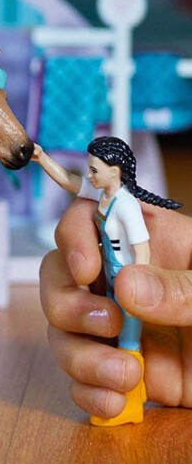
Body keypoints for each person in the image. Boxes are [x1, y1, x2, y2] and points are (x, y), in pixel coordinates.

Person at [34, 136, 188, 425]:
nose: (90, 175)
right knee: (112, 335)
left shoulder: (126, 205)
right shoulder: (102, 195)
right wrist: (42, 158)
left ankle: (131, 405)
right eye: (90, 169)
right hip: (109, 277)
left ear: (115, 171)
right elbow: (70, 181)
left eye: (94, 170)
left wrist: (138, 282)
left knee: (129, 340)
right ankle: (136, 392)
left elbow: (142, 248)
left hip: (127, 281)